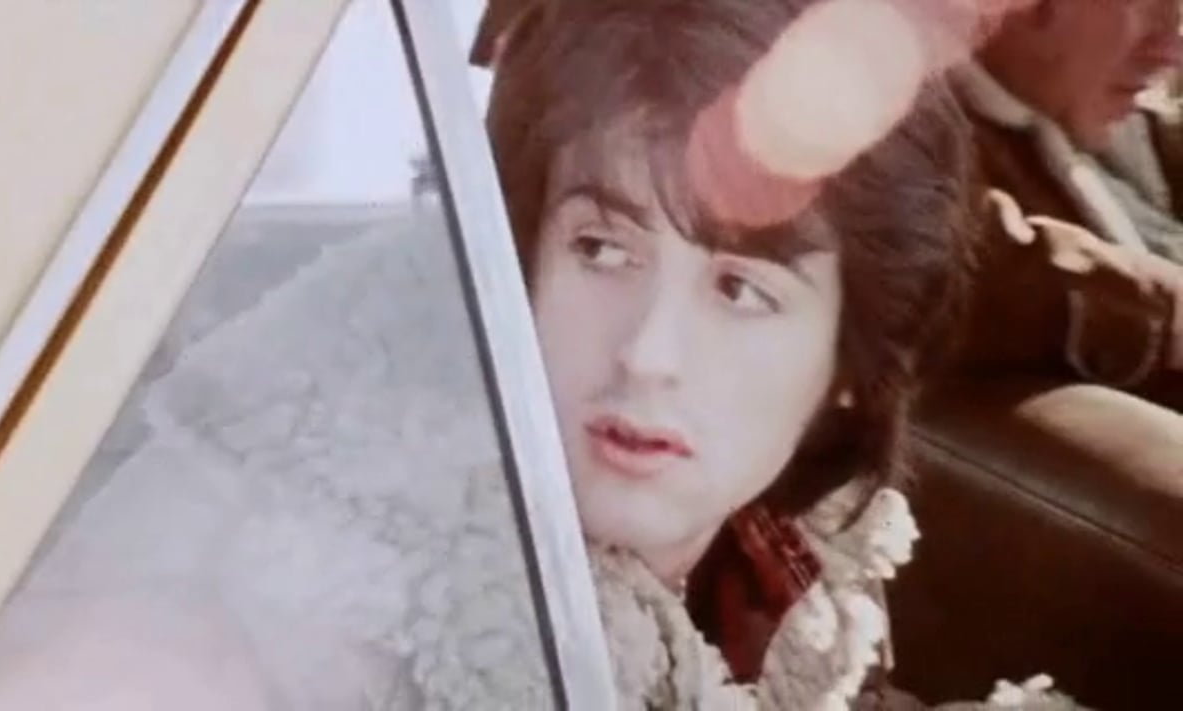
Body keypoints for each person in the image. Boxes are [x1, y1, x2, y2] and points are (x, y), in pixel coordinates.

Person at [484, 0, 1078, 707]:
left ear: (851, 363)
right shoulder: (428, 623)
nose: (647, 352)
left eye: (740, 290)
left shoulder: (803, 580)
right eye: (601, 249)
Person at [951, 0, 1183, 408]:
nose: (1171, 52)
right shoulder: (905, 146)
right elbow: (943, 258)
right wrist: (1167, 311)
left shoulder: (1085, 100)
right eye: (1147, 6)